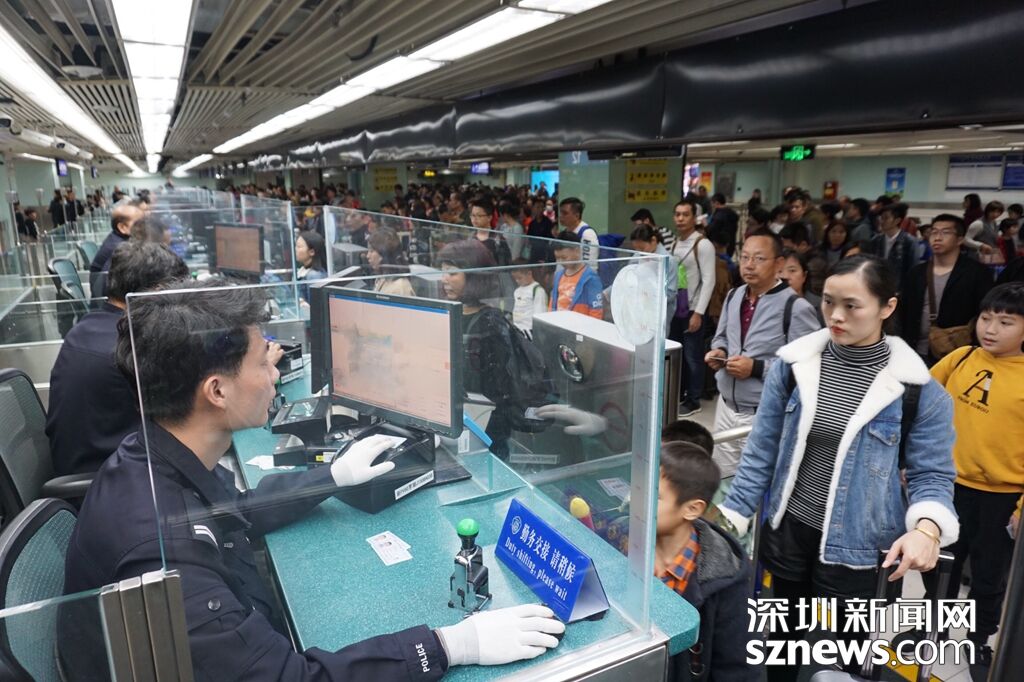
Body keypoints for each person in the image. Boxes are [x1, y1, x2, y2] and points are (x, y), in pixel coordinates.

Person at [60, 278, 563, 680]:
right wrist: (449, 645)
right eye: (263, 361)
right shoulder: (166, 558)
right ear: (216, 391)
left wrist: (331, 477)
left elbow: (233, 511)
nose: (276, 374)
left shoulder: (151, 456)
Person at [718, 256, 958, 682]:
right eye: (829, 302)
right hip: (790, 531)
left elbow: (932, 474)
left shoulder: (918, 393)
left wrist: (927, 529)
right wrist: (732, 514)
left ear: (887, 307)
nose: (836, 316)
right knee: (783, 645)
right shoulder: (794, 366)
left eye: (852, 305)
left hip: (863, 546)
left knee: (851, 655)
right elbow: (762, 448)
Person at [924, 283, 1024, 675]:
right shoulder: (961, 358)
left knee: (988, 576)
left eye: (1005, 322)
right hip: (948, 485)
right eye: (985, 318)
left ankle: (979, 640)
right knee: (939, 565)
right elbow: (923, 404)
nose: (991, 329)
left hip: (1002, 496)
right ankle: (935, 629)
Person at [46, 242, 188, 476]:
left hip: (90, 462)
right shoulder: (131, 347)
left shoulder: (86, 328)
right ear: (157, 292)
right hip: (109, 479)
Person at [705, 232, 820, 477]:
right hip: (725, 407)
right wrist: (720, 352)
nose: (749, 265)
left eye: (758, 258)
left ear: (778, 264)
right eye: (745, 257)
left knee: (757, 482)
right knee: (723, 480)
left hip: (764, 413)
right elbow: (721, 335)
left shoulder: (795, 307)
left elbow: (809, 367)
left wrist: (756, 368)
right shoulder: (734, 295)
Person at [656, 441, 755, 682]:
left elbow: (738, 669)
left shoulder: (725, 581)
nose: (636, 498)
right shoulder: (622, 543)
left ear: (692, 509)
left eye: (655, 496)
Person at [899, 214, 994, 364]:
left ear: (960, 240)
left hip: (955, 353)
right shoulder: (916, 273)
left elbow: (984, 313)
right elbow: (903, 311)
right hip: (914, 352)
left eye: (945, 232)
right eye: (934, 232)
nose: (937, 237)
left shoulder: (977, 273)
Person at [670, 198, 717, 418]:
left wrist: (698, 312)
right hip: (677, 308)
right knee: (678, 354)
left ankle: (694, 399)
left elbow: (709, 281)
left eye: (685, 214)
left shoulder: (703, 244)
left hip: (693, 309)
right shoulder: (674, 243)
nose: (680, 219)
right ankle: (679, 394)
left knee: (693, 356)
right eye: (677, 214)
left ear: (694, 218)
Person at [629, 224, 678, 335]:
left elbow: (670, 293)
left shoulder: (668, 261)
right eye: (636, 249)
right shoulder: (638, 255)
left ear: (653, 240)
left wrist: (648, 296)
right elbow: (629, 275)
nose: (639, 252)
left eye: (642, 248)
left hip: (658, 315)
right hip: (638, 312)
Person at [90, 200, 145, 296]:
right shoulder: (120, 249)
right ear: (122, 227)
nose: (145, 227)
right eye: (139, 224)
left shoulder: (120, 239)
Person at [550, 231, 603, 320]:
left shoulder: (591, 278)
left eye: (564, 258)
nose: (561, 262)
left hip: (580, 325)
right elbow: (552, 303)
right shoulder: (558, 276)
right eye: (557, 258)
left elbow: (596, 310)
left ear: (577, 251)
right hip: (559, 323)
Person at [868, 202, 917, 292]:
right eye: (881, 218)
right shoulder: (876, 240)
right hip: (878, 286)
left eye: (886, 218)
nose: (882, 221)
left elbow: (913, 269)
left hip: (900, 289)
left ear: (897, 220)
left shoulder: (909, 241)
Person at [778, 222, 827, 296]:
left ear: (803, 245)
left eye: (788, 248)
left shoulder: (815, 264)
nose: (785, 276)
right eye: (780, 271)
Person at [368, 226, 415, 297]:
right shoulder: (382, 278)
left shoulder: (400, 288)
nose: (368, 256)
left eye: (371, 251)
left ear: (384, 254)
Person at [558, 197, 599, 269]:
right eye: (560, 213)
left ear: (576, 216)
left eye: (565, 213)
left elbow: (589, 266)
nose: (561, 216)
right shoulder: (564, 233)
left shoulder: (587, 234)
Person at [781, 249, 824, 317]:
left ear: (804, 275)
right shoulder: (767, 304)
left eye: (792, 270)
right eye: (780, 271)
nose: (785, 276)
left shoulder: (820, 305)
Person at [510, 259, 547, 338]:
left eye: (520, 278)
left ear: (529, 274)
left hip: (530, 330)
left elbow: (540, 312)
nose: (517, 281)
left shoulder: (537, 290)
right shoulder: (517, 291)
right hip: (517, 329)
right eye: (515, 279)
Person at [707, 193, 739, 257]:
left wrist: (705, 225)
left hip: (720, 247)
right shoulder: (731, 213)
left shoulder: (719, 216)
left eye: (712, 203)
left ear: (717, 203)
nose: (712, 206)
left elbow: (711, 230)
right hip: (730, 244)